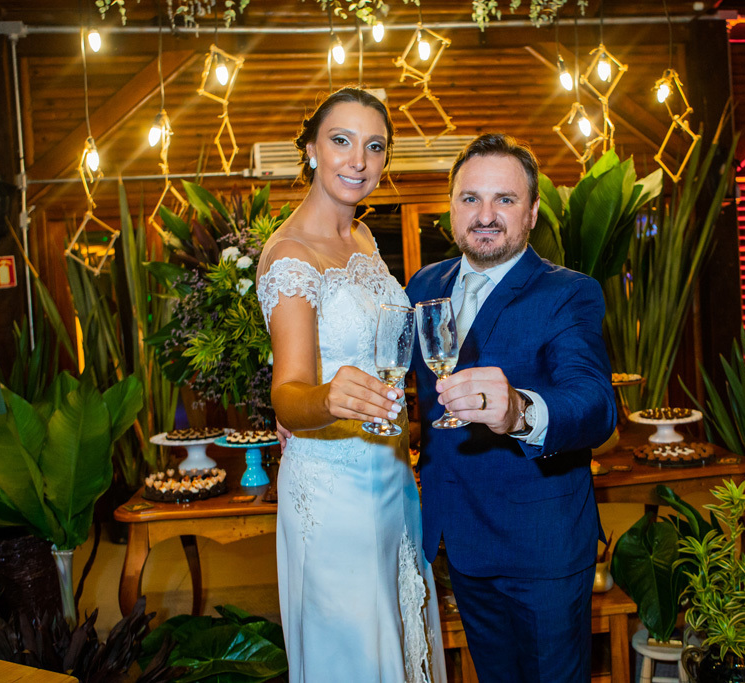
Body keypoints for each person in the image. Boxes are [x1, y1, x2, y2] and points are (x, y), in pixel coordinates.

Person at [405, 133, 616, 682]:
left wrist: (519, 411)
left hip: (542, 547)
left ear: (533, 212)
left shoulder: (568, 292)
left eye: (505, 199)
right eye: (470, 198)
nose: (486, 215)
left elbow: (594, 403)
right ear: (451, 207)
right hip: (462, 544)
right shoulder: (424, 285)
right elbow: (391, 369)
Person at [255, 87, 446, 683]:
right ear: (311, 149)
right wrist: (326, 398)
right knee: (358, 655)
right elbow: (286, 393)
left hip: (391, 476)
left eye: (374, 146)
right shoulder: (290, 257)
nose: (357, 159)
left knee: (402, 634)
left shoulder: (363, 238)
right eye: (340, 140)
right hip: (335, 493)